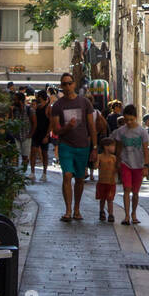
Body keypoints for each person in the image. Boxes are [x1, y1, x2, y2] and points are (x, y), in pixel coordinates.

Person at [48, 72, 97, 222]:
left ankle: (77, 209)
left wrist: (94, 148)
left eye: (70, 83)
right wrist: (67, 127)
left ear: (74, 84)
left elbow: (91, 126)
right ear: (61, 86)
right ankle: (68, 210)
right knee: (67, 175)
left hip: (83, 146)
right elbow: (55, 130)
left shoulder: (84, 103)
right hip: (66, 146)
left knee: (80, 179)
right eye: (64, 84)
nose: (68, 86)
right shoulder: (57, 106)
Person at [111, 105, 149, 225]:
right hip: (125, 163)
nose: (128, 122)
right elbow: (118, 148)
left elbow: (145, 149)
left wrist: (146, 165)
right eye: (126, 120)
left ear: (136, 117)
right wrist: (117, 162)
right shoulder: (121, 131)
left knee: (135, 192)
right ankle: (127, 215)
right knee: (126, 189)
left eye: (131, 120)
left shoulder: (142, 132)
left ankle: (134, 213)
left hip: (138, 165)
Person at [28, 89, 51, 183]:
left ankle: (44, 173)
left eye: (38, 97)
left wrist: (47, 135)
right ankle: (32, 172)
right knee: (33, 151)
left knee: (44, 153)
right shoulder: (36, 107)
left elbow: (51, 123)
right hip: (36, 133)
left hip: (44, 133)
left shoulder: (48, 108)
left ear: (41, 97)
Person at [95, 138, 118, 222]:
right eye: (112, 146)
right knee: (102, 198)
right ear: (106, 147)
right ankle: (101, 211)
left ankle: (111, 214)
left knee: (110, 199)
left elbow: (116, 169)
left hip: (111, 182)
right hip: (102, 181)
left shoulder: (114, 158)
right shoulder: (99, 156)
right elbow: (96, 166)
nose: (114, 148)